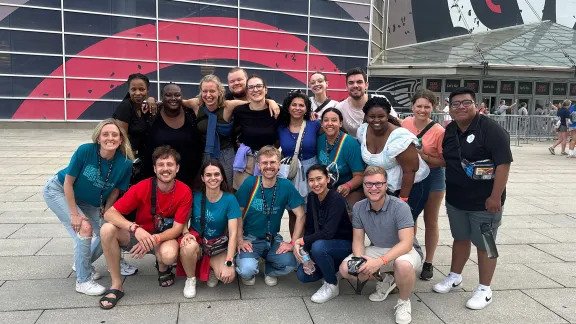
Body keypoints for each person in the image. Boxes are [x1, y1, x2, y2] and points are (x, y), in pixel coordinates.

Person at [434, 87, 512, 310]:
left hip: (485, 202)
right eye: (455, 103)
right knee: (460, 239)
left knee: (486, 244)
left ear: (476, 105)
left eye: (466, 102)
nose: (460, 107)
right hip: (457, 200)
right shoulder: (450, 130)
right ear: (449, 107)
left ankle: (485, 289)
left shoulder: (491, 130)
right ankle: (454, 275)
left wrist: (495, 196)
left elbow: (503, 164)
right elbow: (447, 161)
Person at [42, 119, 133, 296]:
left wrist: (107, 211)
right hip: (59, 190)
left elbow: (115, 192)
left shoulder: (125, 164)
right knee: (84, 228)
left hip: (90, 201)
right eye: (105, 134)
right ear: (98, 138)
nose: (110, 138)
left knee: (108, 230)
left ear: (121, 139)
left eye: (115, 134)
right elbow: (68, 183)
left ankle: (82, 261)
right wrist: (74, 214)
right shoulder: (85, 151)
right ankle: (83, 280)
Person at [99, 146, 192, 309]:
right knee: (107, 230)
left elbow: (177, 229)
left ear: (177, 168)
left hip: (164, 237)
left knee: (169, 256)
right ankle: (116, 285)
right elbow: (109, 214)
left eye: (170, 165)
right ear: (155, 169)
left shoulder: (184, 191)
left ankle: (163, 265)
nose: (165, 169)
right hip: (139, 234)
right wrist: (135, 228)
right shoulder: (142, 186)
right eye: (161, 165)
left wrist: (153, 239)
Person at [339, 166, 422, 324]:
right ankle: (387, 278)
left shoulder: (400, 207)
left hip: (405, 251)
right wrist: (359, 261)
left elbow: (407, 243)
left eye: (378, 184)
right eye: (369, 184)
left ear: (386, 185)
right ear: (363, 186)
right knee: (346, 268)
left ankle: (404, 302)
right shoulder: (358, 207)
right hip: (379, 248)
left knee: (402, 265)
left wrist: (380, 262)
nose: (373, 188)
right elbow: (358, 240)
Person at [235, 146, 306, 286]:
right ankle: (251, 263)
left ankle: (269, 269)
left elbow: (301, 215)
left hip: (272, 238)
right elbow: (237, 214)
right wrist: (239, 239)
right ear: (258, 166)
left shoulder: (285, 185)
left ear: (279, 165)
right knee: (247, 271)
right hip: (250, 239)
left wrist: (293, 242)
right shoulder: (250, 183)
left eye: (273, 162)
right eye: (265, 163)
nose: (269, 166)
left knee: (291, 264)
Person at [356, 96, 430, 221]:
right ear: (366, 117)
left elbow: (410, 171)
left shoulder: (400, 138)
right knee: (384, 227)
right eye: (372, 116)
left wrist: (403, 200)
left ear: (387, 116)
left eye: (381, 116)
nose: (376, 120)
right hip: (384, 188)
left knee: (402, 227)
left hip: (411, 187)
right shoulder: (363, 131)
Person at [179, 159, 240, 298]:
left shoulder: (230, 199)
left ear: (222, 176)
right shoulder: (194, 196)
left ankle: (211, 267)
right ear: (202, 178)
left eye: (216, 174)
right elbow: (183, 219)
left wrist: (229, 261)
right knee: (188, 247)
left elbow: (233, 232)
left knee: (227, 276)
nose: (213, 178)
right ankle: (191, 279)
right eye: (208, 175)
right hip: (198, 241)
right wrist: (185, 232)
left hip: (217, 245)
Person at [401, 90, 445, 281]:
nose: (422, 110)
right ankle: (411, 252)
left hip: (433, 175)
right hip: (411, 175)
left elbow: (444, 161)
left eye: (427, 106)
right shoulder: (404, 124)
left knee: (431, 219)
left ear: (433, 108)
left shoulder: (439, 131)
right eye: (419, 106)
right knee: (410, 216)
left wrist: (423, 155)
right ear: (412, 107)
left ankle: (428, 261)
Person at [294, 164, 353, 303]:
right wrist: (305, 254)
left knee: (319, 247)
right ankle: (334, 270)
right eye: (311, 180)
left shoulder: (336, 199)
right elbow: (309, 228)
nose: (315, 184)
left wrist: (300, 241)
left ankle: (332, 284)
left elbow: (328, 233)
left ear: (327, 179)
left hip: (343, 245)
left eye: (319, 178)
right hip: (323, 245)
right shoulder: (312, 197)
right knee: (303, 275)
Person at [112, 73, 150, 276]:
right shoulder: (125, 107)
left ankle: (118, 255)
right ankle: (113, 258)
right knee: (119, 212)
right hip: (127, 166)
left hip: (136, 168)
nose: (137, 93)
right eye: (134, 89)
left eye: (141, 89)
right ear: (128, 89)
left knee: (128, 210)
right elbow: (122, 140)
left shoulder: (141, 108)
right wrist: (130, 165)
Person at [142, 83, 202, 190]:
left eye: (177, 95)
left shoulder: (191, 113)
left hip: (190, 179)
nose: (173, 98)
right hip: (160, 179)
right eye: (168, 95)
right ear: (162, 97)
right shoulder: (152, 114)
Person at [278, 90, 321, 235]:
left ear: (306, 108)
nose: (297, 108)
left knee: (311, 212)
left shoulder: (315, 125)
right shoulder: (281, 127)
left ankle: (309, 243)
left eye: (301, 105)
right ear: (288, 107)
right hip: (292, 172)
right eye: (294, 105)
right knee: (293, 212)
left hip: (312, 171)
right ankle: (295, 245)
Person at [232, 75, 281, 190]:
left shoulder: (276, 111)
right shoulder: (239, 111)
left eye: (259, 86)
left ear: (265, 89)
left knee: (266, 198)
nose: (255, 90)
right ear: (247, 91)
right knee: (243, 199)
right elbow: (233, 134)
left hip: (269, 163)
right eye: (251, 87)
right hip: (245, 162)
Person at [317, 108, 365, 211]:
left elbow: (360, 175)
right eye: (326, 120)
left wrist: (348, 186)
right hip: (327, 188)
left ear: (340, 123)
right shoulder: (319, 140)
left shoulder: (350, 144)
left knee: (344, 212)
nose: (329, 123)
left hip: (350, 189)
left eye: (334, 120)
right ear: (321, 123)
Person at [335, 68, 397, 138]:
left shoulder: (380, 101)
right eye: (351, 83)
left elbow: (395, 124)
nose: (355, 85)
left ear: (366, 85)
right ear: (346, 86)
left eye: (359, 82)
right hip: (352, 147)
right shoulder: (340, 108)